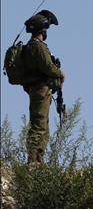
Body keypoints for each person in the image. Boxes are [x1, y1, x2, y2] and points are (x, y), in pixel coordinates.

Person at [21, 10, 64, 164]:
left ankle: (38, 158)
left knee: (43, 127)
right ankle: (33, 159)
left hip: (38, 89)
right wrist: (60, 73)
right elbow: (47, 67)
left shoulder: (30, 46)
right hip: (40, 89)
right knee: (39, 125)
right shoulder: (37, 47)